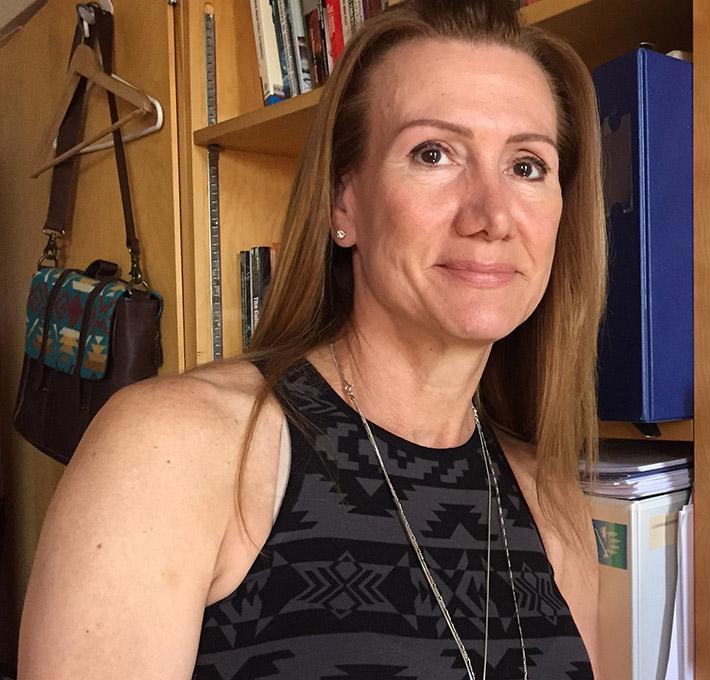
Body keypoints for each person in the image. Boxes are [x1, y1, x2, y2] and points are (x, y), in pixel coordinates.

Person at [18, 1, 605, 677]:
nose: (492, 216)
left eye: (528, 166)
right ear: (342, 202)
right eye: (434, 153)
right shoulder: (174, 452)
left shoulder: (552, 504)